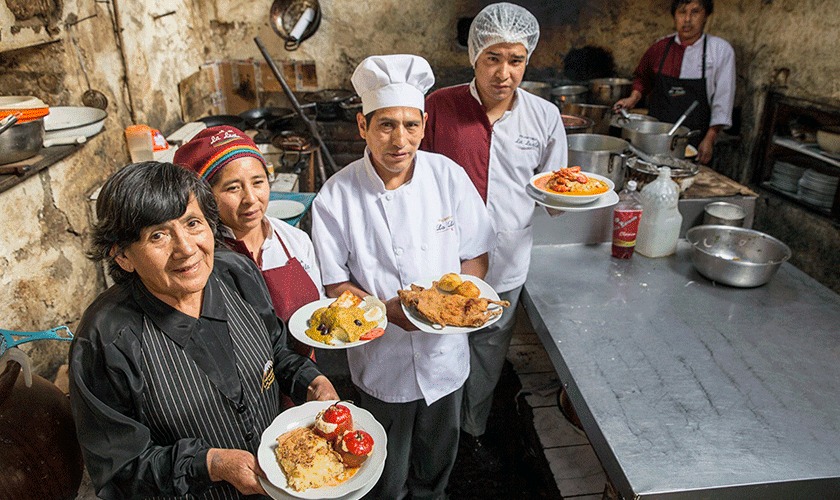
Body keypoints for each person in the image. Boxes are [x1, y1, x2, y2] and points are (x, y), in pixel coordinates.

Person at [69, 161, 338, 499]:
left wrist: (310, 381)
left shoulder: (237, 274)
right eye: (158, 235)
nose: (185, 248)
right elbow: (119, 468)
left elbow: (275, 351)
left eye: (193, 223)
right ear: (123, 256)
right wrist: (209, 464)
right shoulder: (105, 340)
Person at [311, 54, 496, 499]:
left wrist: (454, 309)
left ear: (424, 125)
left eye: (411, 125)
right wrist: (384, 311)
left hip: (445, 356)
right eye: (386, 125)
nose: (400, 140)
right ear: (362, 126)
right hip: (382, 359)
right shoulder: (336, 196)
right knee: (384, 475)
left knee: (436, 463)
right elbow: (335, 284)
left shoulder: (448, 177)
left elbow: (475, 255)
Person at [422, 2, 567, 459]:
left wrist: (569, 200)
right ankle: (434, 436)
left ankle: (472, 431)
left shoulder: (544, 117)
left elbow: (556, 192)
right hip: (443, 263)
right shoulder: (439, 107)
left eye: (516, 60)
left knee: (488, 350)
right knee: (439, 347)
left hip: (507, 261)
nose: (504, 73)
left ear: (527, 60)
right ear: (474, 56)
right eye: (493, 58)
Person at [173, 126, 323, 324]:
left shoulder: (295, 240)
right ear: (206, 197)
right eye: (233, 188)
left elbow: (318, 307)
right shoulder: (198, 262)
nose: (251, 198)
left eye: (258, 182)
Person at [613, 0, 735, 165]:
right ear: (674, 16)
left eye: (695, 12)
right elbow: (643, 77)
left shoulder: (720, 50)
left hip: (693, 142)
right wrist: (633, 99)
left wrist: (710, 138)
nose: (687, 19)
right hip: (653, 139)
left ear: (706, 16)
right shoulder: (660, 47)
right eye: (682, 12)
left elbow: (723, 99)